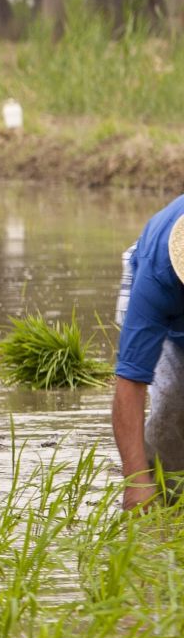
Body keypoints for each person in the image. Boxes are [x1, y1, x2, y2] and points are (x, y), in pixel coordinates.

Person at [111, 193, 184, 510]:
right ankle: (166, 500)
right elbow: (131, 381)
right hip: (163, 297)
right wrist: (136, 485)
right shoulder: (158, 275)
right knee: (172, 409)